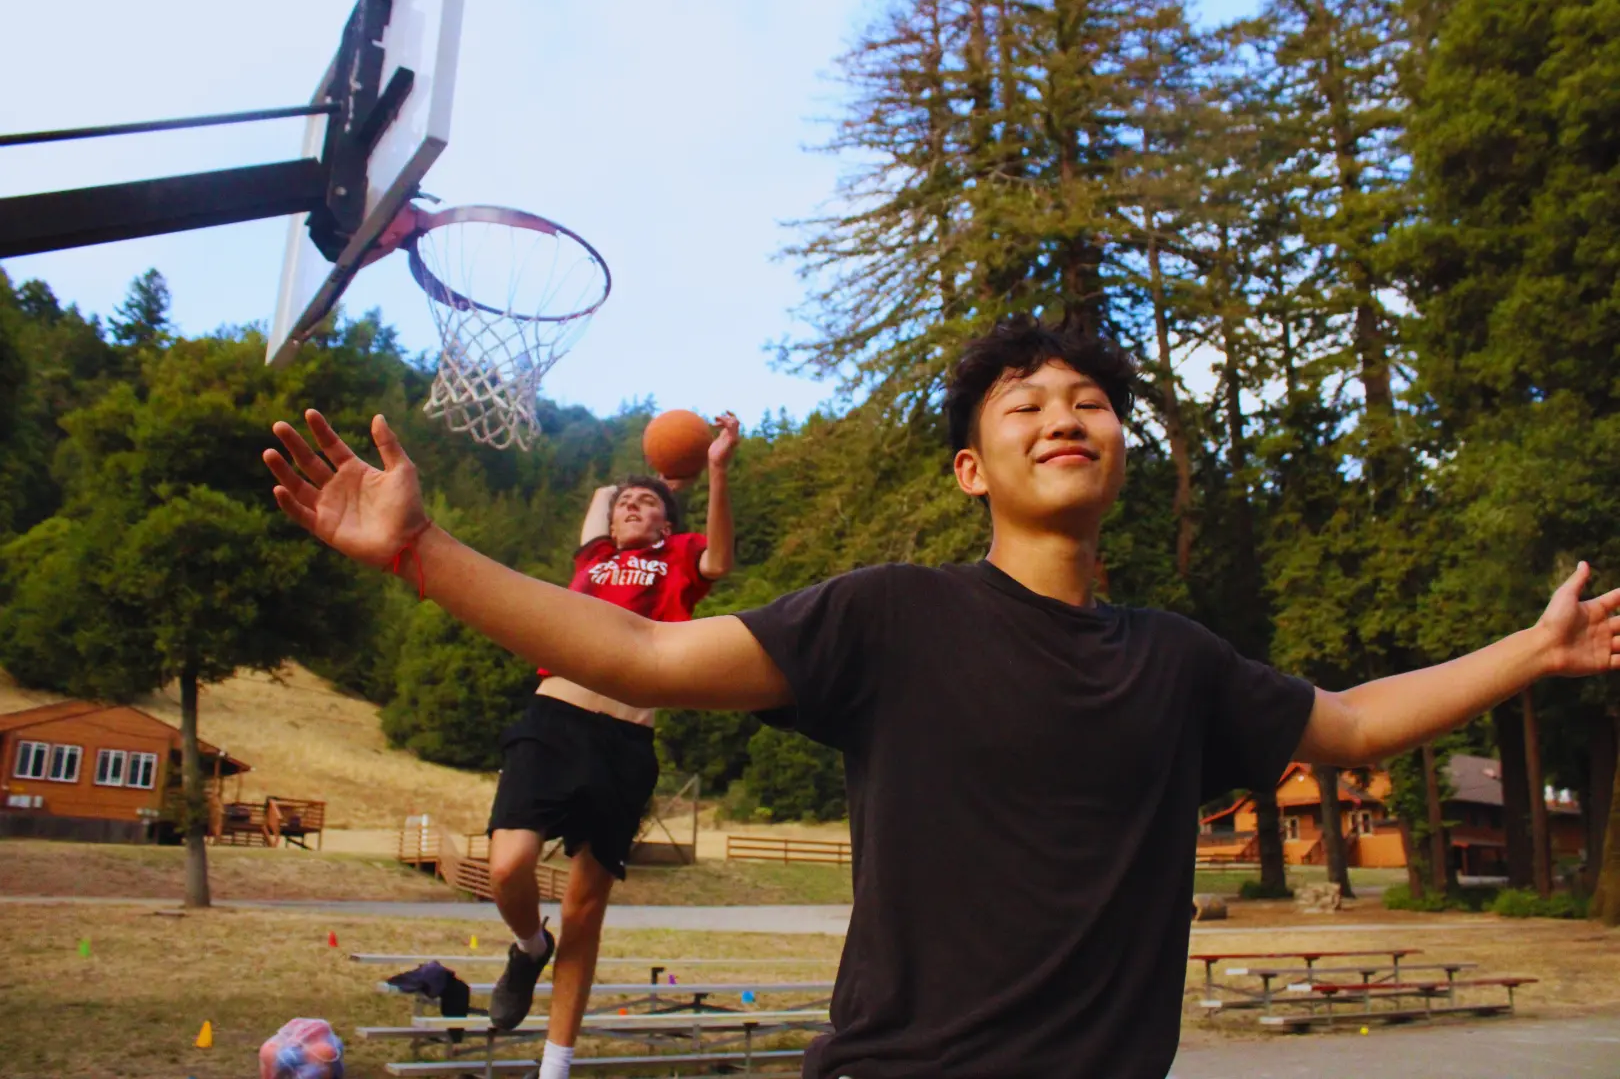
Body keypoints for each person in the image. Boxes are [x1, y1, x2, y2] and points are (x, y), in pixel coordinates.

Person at [263, 317, 1620, 1079]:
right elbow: (649, 659)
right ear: (974, 470)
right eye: (1023, 403)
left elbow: (1360, 721)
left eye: (1090, 399)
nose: (1062, 413)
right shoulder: (889, 617)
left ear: (1123, 454)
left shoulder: (1183, 661)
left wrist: (1535, 649)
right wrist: (425, 556)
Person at [477, 410, 739, 1079]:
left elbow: (721, 557)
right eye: (623, 503)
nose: (629, 507)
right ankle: (529, 946)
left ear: (667, 523)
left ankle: (555, 1066)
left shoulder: (677, 559)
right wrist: (647, 475)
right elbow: (604, 498)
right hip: (556, 718)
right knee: (509, 866)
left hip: (626, 736)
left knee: (585, 909)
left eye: (645, 503)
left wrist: (710, 468)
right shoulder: (595, 557)